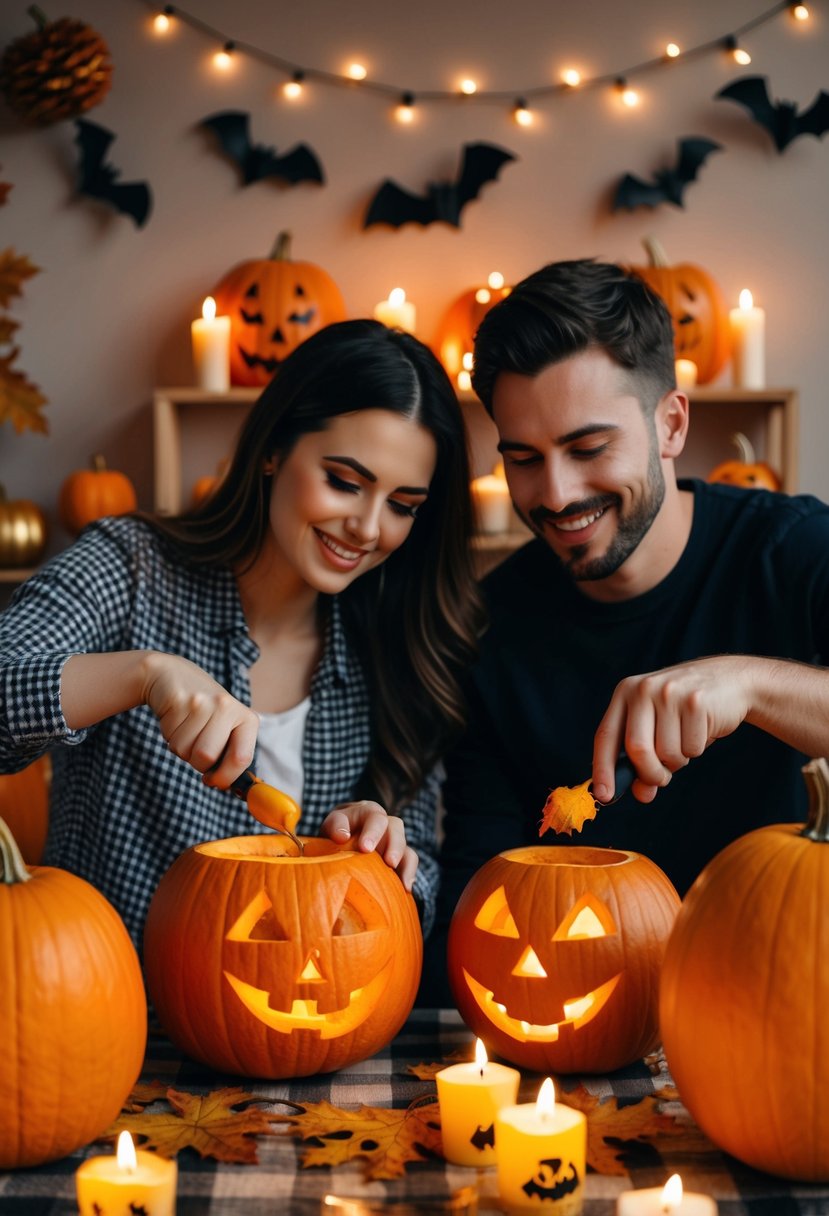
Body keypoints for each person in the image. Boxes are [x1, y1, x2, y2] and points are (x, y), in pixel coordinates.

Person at [0, 319, 483, 950]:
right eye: (344, 481)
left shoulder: (399, 647)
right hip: (106, 1014)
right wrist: (143, 676)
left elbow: (419, 898)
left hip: (302, 1026)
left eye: (402, 505)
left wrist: (387, 862)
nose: (368, 527)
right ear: (273, 448)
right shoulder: (128, 565)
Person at [422, 257, 829, 1004]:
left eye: (587, 449)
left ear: (669, 424)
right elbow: (479, 890)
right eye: (522, 459)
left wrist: (751, 683)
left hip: (789, 994)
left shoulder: (795, 550)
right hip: (588, 1009)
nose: (555, 493)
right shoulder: (484, 628)